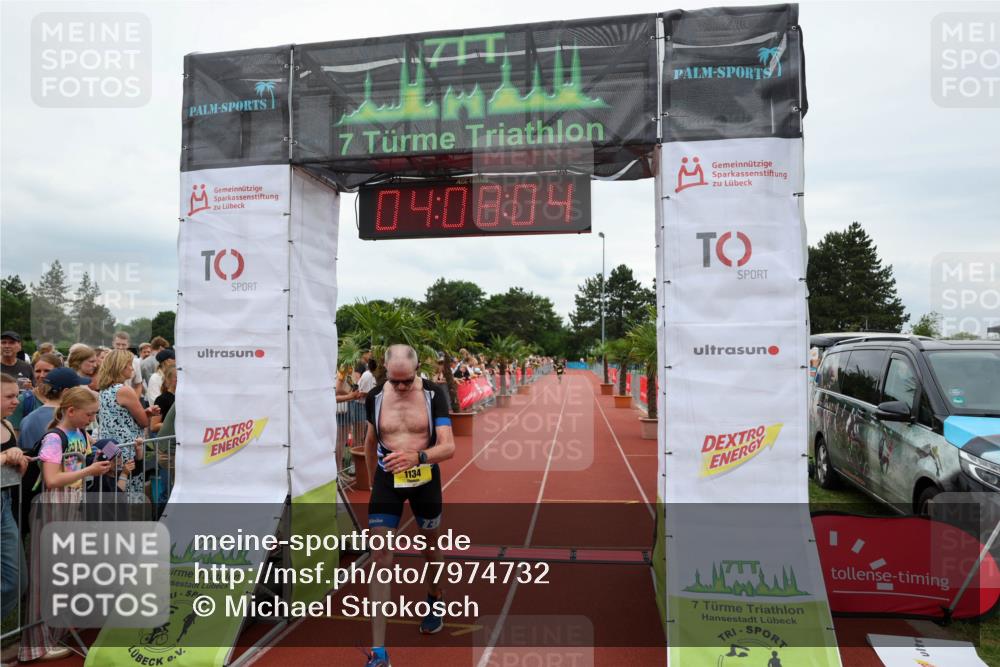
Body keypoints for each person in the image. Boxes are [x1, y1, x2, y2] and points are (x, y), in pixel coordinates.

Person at [362, 344, 456, 667]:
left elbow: (449, 447)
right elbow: (371, 439)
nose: (402, 388)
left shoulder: (434, 395)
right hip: (389, 478)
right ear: (386, 372)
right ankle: (378, 652)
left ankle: (435, 598)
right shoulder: (374, 396)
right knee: (379, 554)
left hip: (425, 476)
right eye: (395, 381)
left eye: (407, 381)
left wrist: (417, 456)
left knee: (430, 546)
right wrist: (373, 482)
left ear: (417, 371)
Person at [20, 386, 110, 663]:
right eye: (89, 414)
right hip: (53, 506)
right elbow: (52, 479)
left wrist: (104, 459)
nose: (92, 420)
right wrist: (89, 470)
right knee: (45, 575)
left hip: (72, 503)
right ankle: (34, 644)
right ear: (70, 411)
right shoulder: (53, 438)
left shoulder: (80, 433)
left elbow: (82, 461)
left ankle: (53, 632)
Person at [96, 350, 155, 502]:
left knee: (112, 490)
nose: (132, 369)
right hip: (128, 448)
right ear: (120, 367)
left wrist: (145, 412)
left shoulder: (104, 390)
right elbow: (142, 422)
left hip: (110, 447)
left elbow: (120, 417)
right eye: (129, 365)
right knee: (130, 493)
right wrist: (146, 414)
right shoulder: (124, 390)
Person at [1, 374, 29, 634]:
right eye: (9, 396)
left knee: (16, 580)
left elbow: (12, 469)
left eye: (16, 394)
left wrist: (19, 461)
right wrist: (4, 457)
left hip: (5, 503)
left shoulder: (8, 426)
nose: (16, 400)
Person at [9, 352, 63, 433]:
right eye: (38, 371)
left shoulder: (67, 399)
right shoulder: (24, 400)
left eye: (47, 371)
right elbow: (14, 436)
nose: (42, 375)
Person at [151, 365, 175, 433]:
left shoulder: (183, 397)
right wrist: (175, 425)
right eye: (176, 377)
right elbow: (153, 426)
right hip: (168, 439)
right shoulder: (161, 399)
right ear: (168, 379)